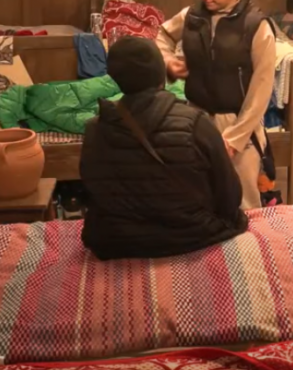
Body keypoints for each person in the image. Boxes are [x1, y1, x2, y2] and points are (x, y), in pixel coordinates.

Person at [79, 36, 248, 260]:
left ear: (114, 76)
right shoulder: (196, 123)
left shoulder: (94, 129)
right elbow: (230, 197)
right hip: (192, 236)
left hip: (116, 241)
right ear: (161, 74)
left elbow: (91, 192)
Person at [156, 0, 276, 210]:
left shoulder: (256, 26)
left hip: (238, 124)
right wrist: (168, 61)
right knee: (200, 201)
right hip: (197, 120)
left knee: (244, 205)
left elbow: (261, 91)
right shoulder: (192, 16)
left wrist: (235, 138)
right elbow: (162, 35)